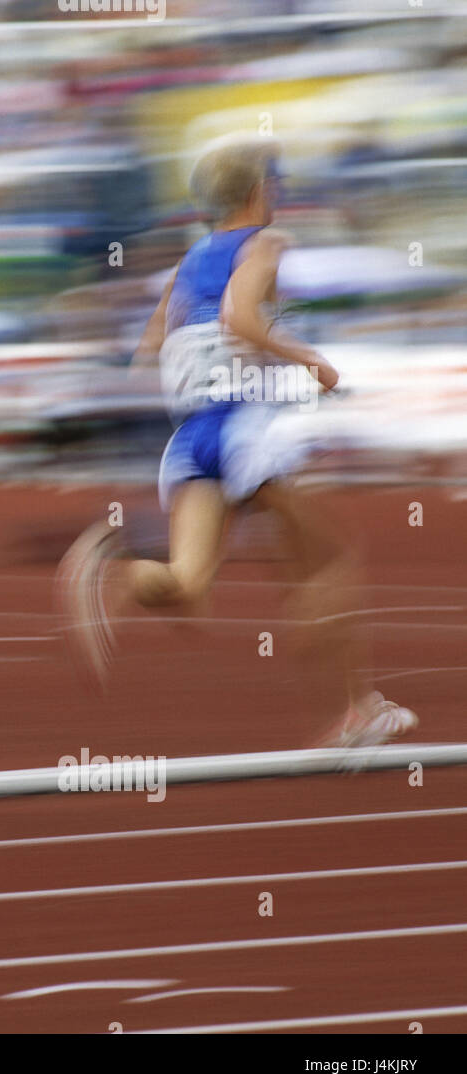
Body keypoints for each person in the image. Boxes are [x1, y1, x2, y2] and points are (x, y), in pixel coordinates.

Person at [58, 136, 418, 749]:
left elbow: (150, 346)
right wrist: (311, 362)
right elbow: (240, 319)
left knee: (187, 581)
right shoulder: (266, 243)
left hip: (193, 435)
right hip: (247, 428)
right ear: (256, 192)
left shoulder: (189, 259)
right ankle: (357, 712)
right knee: (328, 563)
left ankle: (115, 562)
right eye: (273, 184)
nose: (278, 193)